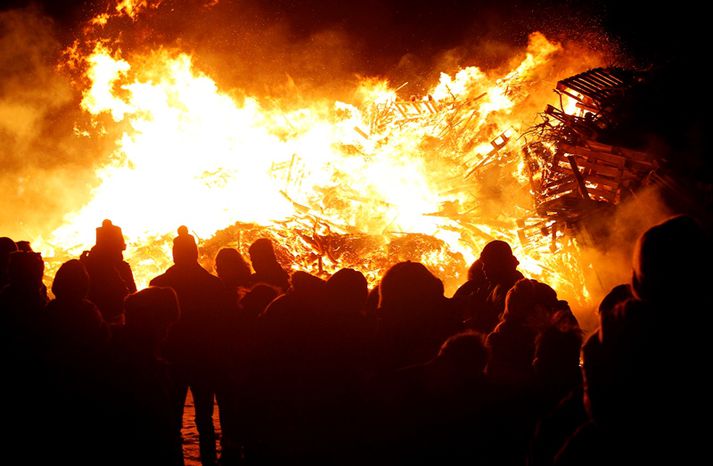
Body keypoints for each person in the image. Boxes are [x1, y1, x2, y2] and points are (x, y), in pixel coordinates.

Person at [150, 226, 231, 466]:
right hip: (203, 359)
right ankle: (208, 459)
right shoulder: (214, 286)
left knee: (171, 416)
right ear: (194, 254)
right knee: (204, 417)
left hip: (172, 359)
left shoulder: (160, 284)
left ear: (175, 254)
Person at [80, 219, 136, 324]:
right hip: (113, 321)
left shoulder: (87, 266)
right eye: (119, 248)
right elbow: (132, 296)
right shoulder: (121, 268)